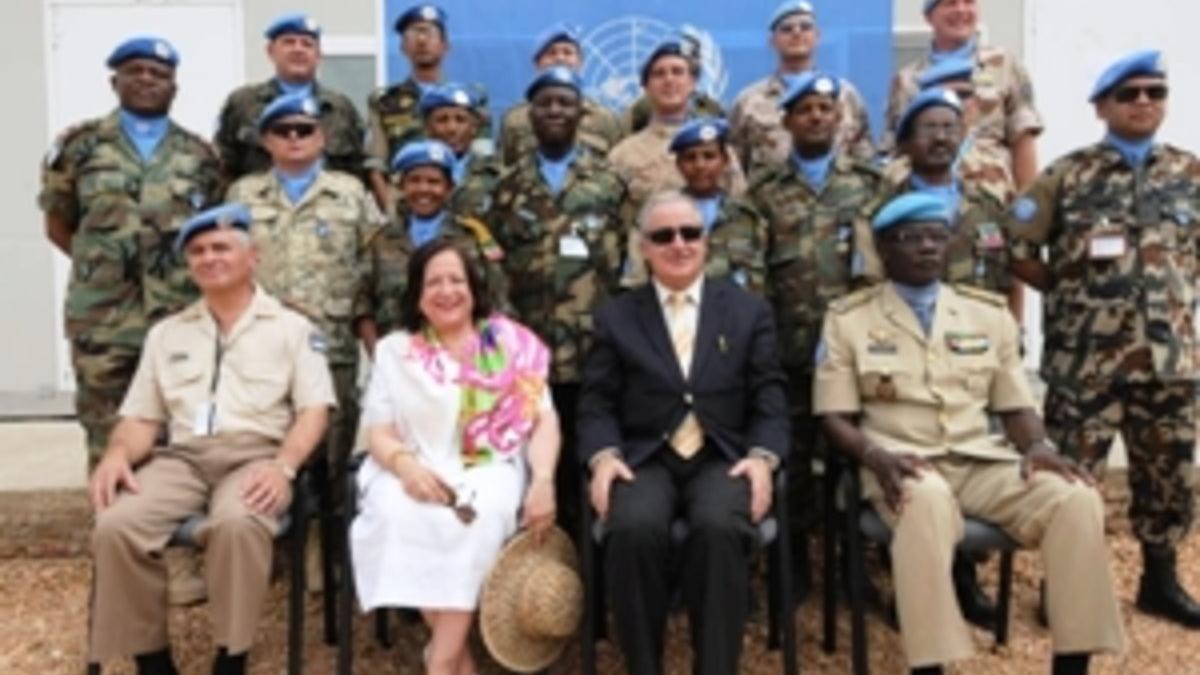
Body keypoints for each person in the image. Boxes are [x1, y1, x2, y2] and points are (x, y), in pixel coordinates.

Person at [816, 193, 1126, 675]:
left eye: (936, 237)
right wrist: (874, 456)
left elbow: (1015, 404)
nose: (926, 247)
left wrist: (1041, 446)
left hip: (979, 461)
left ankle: (1073, 665)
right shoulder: (848, 319)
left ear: (951, 245)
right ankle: (931, 667)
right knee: (926, 497)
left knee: (1076, 497)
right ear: (884, 248)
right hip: (900, 463)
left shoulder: (988, 314)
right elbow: (834, 416)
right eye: (911, 238)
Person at [87, 203, 335, 675]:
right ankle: (152, 658)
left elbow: (314, 411)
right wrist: (117, 454)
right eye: (197, 251)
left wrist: (284, 467)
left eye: (221, 247)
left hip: (255, 454)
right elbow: (141, 417)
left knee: (238, 523)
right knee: (116, 524)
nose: (209, 258)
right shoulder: (167, 333)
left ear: (251, 256)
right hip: (181, 459)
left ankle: (231, 654)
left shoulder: (292, 328)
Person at [1005, 50, 1200, 628]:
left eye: (1155, 92)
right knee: (1071, 477)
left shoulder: (1189, 174)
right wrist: (1065, 290)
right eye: (1130, 93)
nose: (1144, 102)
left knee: (1169, 476)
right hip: (1086, 363)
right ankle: (1061, 587)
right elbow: (1010, 245)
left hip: (1171, 361)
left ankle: (1159, 581)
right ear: (1101, 107)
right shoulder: (1067, 176)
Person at [578, 190, 789, 675]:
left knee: (718, 529)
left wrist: (763, 457)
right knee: (631, 530)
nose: (679, 244)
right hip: (644, 457)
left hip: (722, 456)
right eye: (663, 235)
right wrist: (604, 456)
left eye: (690, 233)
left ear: (706, 242)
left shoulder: (746, 311)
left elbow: (771, 397)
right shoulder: (617, 316)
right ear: (643, 247)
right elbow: (596, 402)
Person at [350, 239, 560, 675]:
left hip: (488, 467)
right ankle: (459, 661)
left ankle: (441, 661)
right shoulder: (395, 350)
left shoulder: (511, 343)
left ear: (475, 287)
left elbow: (543, 421)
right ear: (417, 293)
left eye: (456, 280)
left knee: (474, 518)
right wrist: (407, 467)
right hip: (411, 462)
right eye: (434, 282)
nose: (446, 291)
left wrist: (542, 481)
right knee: (395, 512)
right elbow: (380, 433)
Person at [39, 36, 223, 466]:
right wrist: (104, 267)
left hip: (180, 312)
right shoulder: (79, 147)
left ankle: (168, 517)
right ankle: (111, 519)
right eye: (135, 71)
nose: (146, 80)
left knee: (181, 419)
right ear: (114, 81)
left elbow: (212, 236)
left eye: (158, 74)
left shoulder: (199, 155)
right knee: (106, 422)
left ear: (173, 87)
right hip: (103, 318)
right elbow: (59, 225)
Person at [485, 66, 628, 533]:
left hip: (594, 350)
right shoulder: (506, 186)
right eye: (544, 103)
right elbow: (493, 267)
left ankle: (595, 575)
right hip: (529, 356)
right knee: (534, 463)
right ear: (530, 114)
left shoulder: (608, 182)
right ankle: (539, 571)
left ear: (580, 112)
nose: (554, 111)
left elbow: (629, 261)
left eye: (564, 102)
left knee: (592, 459)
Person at [226, 92, 381, 507]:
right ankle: (273, 549)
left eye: (304, 130)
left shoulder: (350, 194)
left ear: (322, 138)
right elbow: (225, 267)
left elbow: (373, 268)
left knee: (332, 457)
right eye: (283, 131)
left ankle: (329, 557)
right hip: (261, 347)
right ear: (266, 141)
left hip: (332, 347)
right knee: (267, 449)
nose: (294, 138)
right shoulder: (242, 196)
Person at [750, 72, 879, 563]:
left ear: (840, 117)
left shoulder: (868, 185)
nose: (816, 117)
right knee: (796, 459)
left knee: (852, 457)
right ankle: (796, 560)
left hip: (855, 354)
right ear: (786, 121)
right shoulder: (764, 192)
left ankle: (853, 562)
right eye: (804, 110)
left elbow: (878, 273)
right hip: (788, 350)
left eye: (825, 108)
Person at [864, 89, 1012, 304]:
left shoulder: (986, 206)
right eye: (929, 129)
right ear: (906, 143)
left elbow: (1008, 280)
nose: (940, 138)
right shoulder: (883, 206)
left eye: (949, 128)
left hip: (974, 329)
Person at [882, 0, 1042, 196]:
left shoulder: (1004, 66)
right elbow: (895, 152)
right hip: (928, 206)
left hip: (992, 201)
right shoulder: (906, 81)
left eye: (969, 2)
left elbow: (1023, 140)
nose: (961, 10)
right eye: (950, 3)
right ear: (928, 16)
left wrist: (1029, 207)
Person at [361, 140, 507, 350]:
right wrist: (379, 357)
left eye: (433, 181)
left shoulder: (473, 237)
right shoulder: (380, 241)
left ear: (449, 188)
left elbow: (498, 302)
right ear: (402, 186)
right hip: (399, 360)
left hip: (461, 359)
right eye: (414, 180)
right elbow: (362, 307)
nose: (423, 189)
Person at [213, 12, 366, 184]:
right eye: (289, 42)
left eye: (307, 44)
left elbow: (359, 168)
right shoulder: (243, 103)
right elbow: (224, 167)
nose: (298, 49)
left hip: (329, 207)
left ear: (318, 55)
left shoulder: (341, 108)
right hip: (260, 206)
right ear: (270, 51)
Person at [365, 4, 490, 211]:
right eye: (414, 34)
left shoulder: (471, 99)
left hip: (463, 206)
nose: (422, 41)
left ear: (445, 46)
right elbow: (376, 167)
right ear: (402, 47)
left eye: (429, 33)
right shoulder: (385, 102)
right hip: (406, 204)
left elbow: (484, 162)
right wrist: (393, 213)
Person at [728, 1, 875, 171]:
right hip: (771, 195)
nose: (796, 33)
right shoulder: (748, 101)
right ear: (772, 41)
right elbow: (735, 169)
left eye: (805, 27)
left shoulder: (846, 95)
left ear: (817, 36)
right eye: (786, 29)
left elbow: (866, 161)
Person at [496, 23, 624, 165]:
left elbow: (617, 172)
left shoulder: (606, 119)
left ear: (580, 63)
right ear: (537, 64)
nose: (560, 58)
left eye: (568, 52)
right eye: (551, 53)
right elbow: (503, 172)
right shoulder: (514, 119)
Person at [663, 118, 766, 293]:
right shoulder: (663, 216)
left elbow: (758, 280)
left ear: (725, 161)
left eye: (709, 156)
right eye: (690, 157)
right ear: (679, 165)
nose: (700, 165)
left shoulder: (745, 216)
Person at [417, 82, 503, 216]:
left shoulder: (496, 174)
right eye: (442, 120)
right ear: (428, 129)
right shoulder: (411, 178)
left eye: (460, 120)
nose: (452, 129)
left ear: (474, 127)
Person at [620, 28, 725, 136]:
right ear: (646, 86)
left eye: (677, 72)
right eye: (659, 73)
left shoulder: (709, 108)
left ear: (693, 82)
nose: (669, 80)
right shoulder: (640, 110)